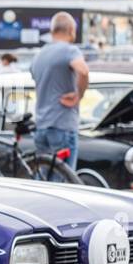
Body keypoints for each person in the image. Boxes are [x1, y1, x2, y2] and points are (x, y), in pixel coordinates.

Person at [29, 11, 89, 178]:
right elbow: (83, 71)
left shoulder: (39, 55)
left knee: (43, 181)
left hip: (41, 128)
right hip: (62, 125)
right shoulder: (69, 51)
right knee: (64, 183)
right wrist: (79, 95)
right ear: (71, 30)